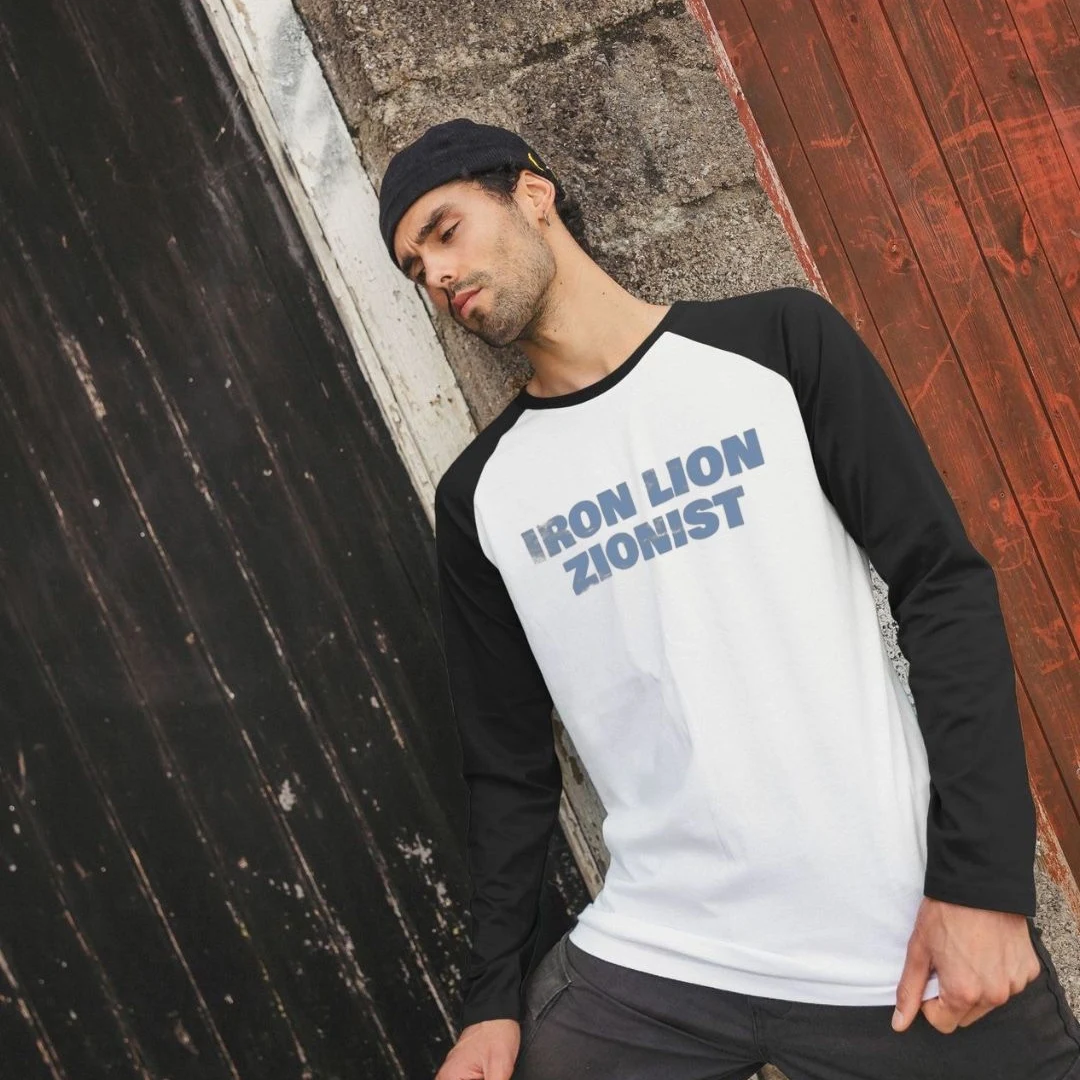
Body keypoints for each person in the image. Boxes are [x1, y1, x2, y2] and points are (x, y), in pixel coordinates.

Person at [377, 118, 1080, 1080]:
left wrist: (985, 887)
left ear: (533, 196)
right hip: (661, 966)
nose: (438, 274)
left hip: (893, 951)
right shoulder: (481, 498)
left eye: (445, 230)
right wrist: (490, 1002)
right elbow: (507, 766)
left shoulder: (776, 345)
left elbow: (942, 587)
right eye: (415, 268)